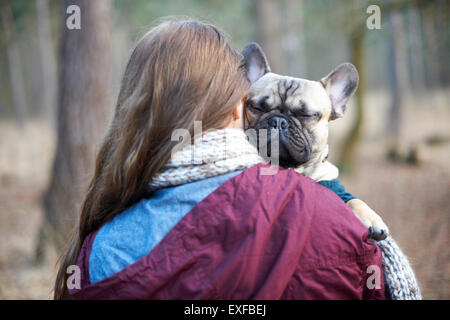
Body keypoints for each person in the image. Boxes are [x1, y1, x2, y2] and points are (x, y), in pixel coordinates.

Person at [54, 20, 420, 300]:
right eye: (260, 107)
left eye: (303, 116)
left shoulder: (97, 249)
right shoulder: (341, 228)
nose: (277, 125)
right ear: (237, 106)